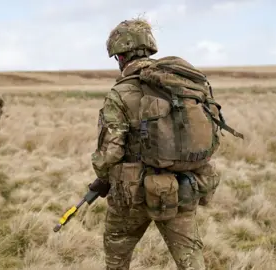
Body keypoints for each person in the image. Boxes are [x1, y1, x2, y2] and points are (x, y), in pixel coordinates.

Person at [88, 18, 243, 270]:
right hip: (182, 187)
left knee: (117, 254)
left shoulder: (119, 93)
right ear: (150, 48)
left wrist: (103, 176)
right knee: (191, 259)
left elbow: (110, 153)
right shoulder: (182, 84)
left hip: (131, 195)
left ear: (119, 56)